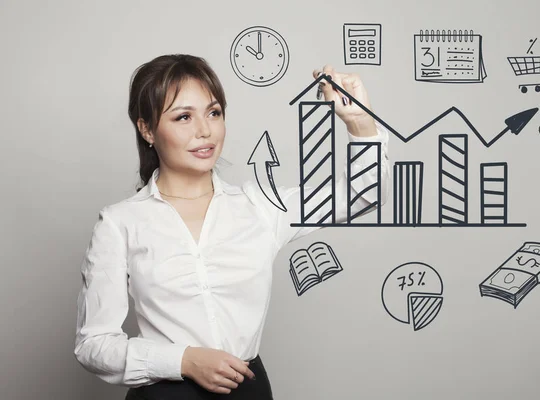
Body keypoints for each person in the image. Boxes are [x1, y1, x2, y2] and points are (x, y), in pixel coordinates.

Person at [73, 54, 391, 399]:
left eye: (214, 112)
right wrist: (183, 360)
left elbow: (364, 194)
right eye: (183, 117)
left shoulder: (262, 208)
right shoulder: (120, 222)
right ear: (147, 129)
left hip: (248, 391)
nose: (204, 130)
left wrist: (358, 120)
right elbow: (93, 344)